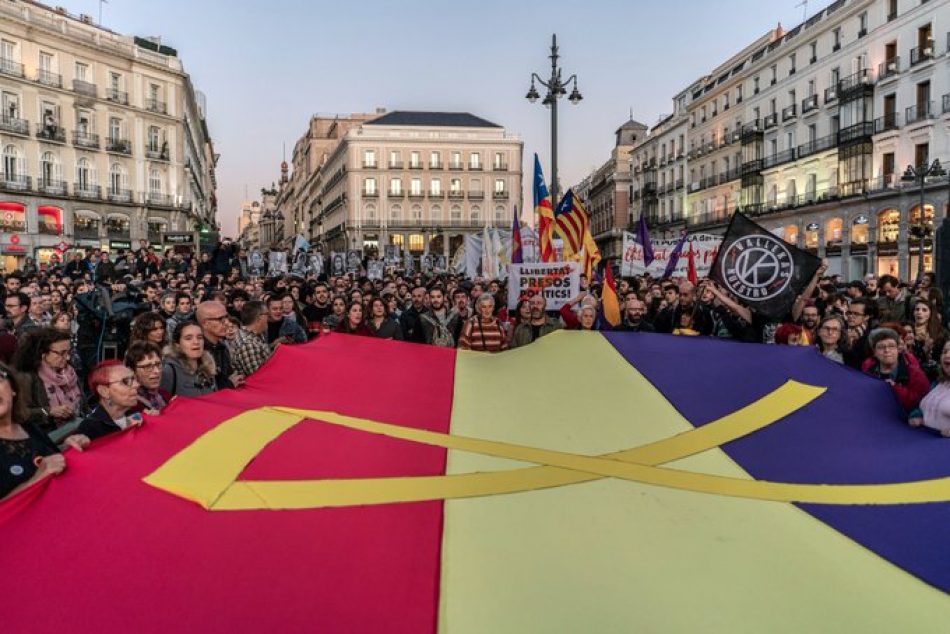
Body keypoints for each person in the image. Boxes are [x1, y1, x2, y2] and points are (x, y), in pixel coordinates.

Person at [0, 362, 64, 501]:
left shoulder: (29, 427)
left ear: (13, 388)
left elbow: (56, 461)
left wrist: (71, 448)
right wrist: (36, 480)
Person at [13, 328, 84, 437]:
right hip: (47, 436)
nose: (68, 357)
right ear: (43, 353)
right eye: (61, 353)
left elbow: (83, 404)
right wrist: (48, 411)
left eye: (69, 352)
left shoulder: (70, 372)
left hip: (77, 429)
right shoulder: (28, 377)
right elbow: (19, 413)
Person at [64, 360, 144, 448]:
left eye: (134, 379)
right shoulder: (90, 429)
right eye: (126, 381)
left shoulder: (138, 413)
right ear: (104, 391)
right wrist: (72, 444)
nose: (137, 385)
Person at [863, 327, 929, 416]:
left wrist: (895, 388)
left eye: (891, 346)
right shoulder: (867, 374)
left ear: (898, 349)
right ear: (874, 352)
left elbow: (922, 403)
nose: (887, 350)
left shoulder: (915, 374)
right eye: (881, 347)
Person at [160, 321, 217, 398]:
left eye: (199, 337)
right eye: (188, 338)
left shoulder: (208, 369)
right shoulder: (169, 370)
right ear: (177, 344)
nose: (196, 342)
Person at [195, 300, 243, 389]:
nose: (226, 323)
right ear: (205, 323)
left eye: (226, 317)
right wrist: (229, 384)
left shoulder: (222, 346)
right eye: (220, 319)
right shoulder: (197, 351)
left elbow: (231, 375)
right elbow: (204, 390)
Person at [228, 300, 273, 378]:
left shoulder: (256, 335)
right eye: (267, 314)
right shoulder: (248, 344)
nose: (269, 318)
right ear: (260, 318)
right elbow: (259, 377)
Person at [125, 341, 170, 413]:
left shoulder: (166, 395)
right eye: (148, 367)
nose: (157, 371)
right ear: (131, 371)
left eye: (158, 364)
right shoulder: (129, 404)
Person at [909, 298, 947, 381]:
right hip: (912, 374)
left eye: (924, 310)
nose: (919, 312)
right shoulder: (907, 331)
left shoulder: (941, 333)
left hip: (935, 376)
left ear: (930, 313)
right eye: (917, 309)